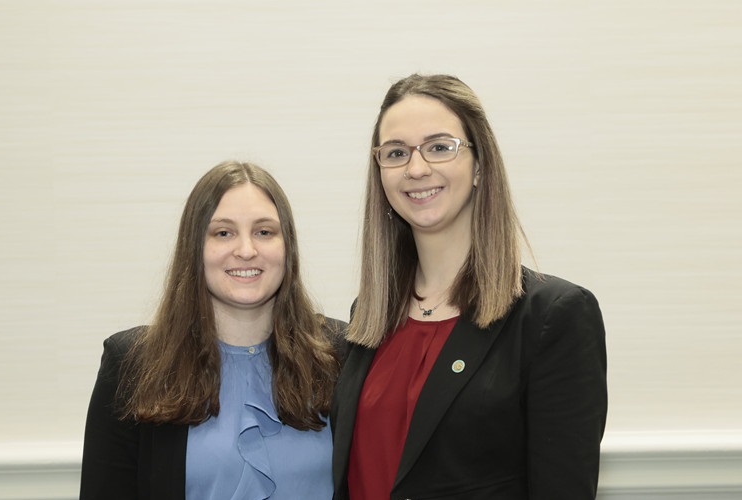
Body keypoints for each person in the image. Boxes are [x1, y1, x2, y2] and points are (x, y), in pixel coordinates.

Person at [330, 74, 608, 500]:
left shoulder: (554, 318)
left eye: (440, 147)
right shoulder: (368, 316)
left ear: (480, 166)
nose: (417, 168)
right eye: (396, 152)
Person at [80, 160, 344, 500]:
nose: (246, 250)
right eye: (223, 233)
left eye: (264, 232)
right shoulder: (132, 365)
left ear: (287, 247)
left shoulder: (341, 354)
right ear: (195, 248)